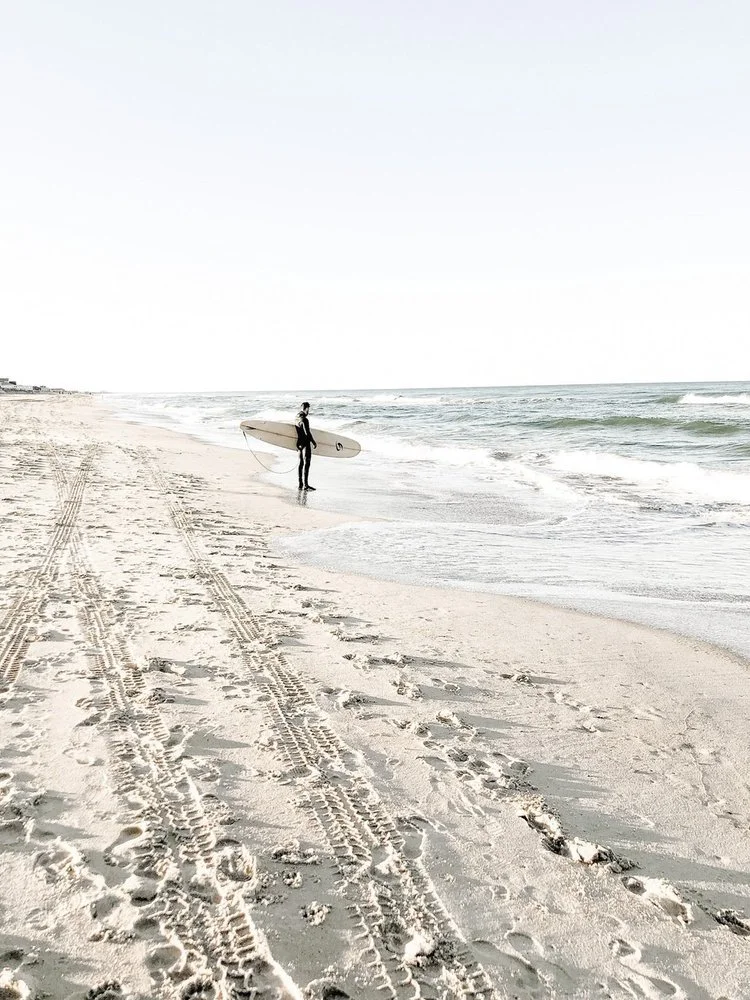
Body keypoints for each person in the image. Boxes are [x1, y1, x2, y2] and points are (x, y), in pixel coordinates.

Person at [295, 401, 317, 490]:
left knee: (301, 463)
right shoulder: (304, 419)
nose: (309, 411)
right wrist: (313, 441)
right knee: (307, 463)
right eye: (308, 409)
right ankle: (306, 485)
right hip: (306, 443)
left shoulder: (296, 417)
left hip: (299, 444)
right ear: (306, 408)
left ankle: (300, 484)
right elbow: (307, 432)